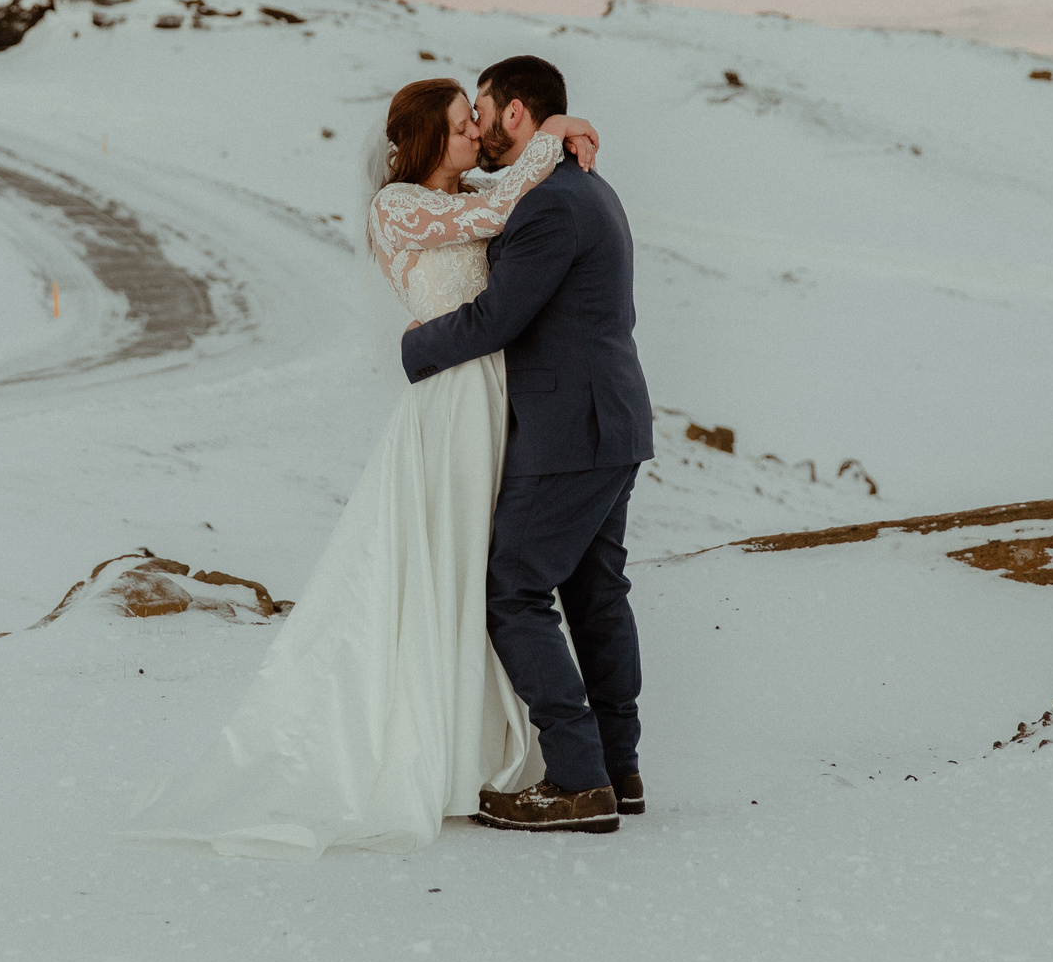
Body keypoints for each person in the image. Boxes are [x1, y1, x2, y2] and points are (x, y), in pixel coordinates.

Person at [120, 71, 602, 859]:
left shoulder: (471, 181)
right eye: (456, 126)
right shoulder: (399, 205)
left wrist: (561, 134)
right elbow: (492, 208)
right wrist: (555, 132)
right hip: (450, 402)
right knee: (450, 561)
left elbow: (505, 186)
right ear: (420, 140)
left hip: (488, 392)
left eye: (471, 122)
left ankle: (476, 736)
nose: (472, 135)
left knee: (482, 564)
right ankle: (431, 742)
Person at [401, 55, 653, 835]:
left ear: (515, 112)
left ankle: (577, 778)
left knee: (512, 587)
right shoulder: (585, 187)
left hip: (568, 427)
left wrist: (415, 348)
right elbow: (476, 208)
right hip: (611, 422)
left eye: (481, 110)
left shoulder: (548, 206)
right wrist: (556, 129)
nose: (475, 126)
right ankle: (619, 767)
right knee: (594, 592)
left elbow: (497, 318)